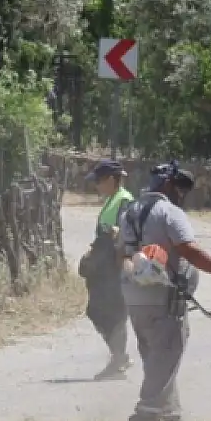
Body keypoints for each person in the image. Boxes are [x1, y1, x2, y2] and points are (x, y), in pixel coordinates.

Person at [119, 161, 211, 421]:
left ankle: (169, 417)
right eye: (180, 188)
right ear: (168, 185)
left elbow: (124, 256)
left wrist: (141, 273)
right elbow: (189, 251)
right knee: (166, 355)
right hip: (164, 300)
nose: (182, 194)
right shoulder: (170, 212)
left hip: (135, 299)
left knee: (158, 357)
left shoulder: (129, 212)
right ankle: (145, 417)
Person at [78, 159, 134, 380]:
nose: (97, 186)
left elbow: (127, 232)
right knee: (98, 311)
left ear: (112, 180)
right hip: (103, 265)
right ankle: (119, 357)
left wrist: (116, 233)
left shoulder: (125, 201)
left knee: (113, 312)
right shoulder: (112, 200)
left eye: (100, 181)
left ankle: (119, 359)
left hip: (114, 264)